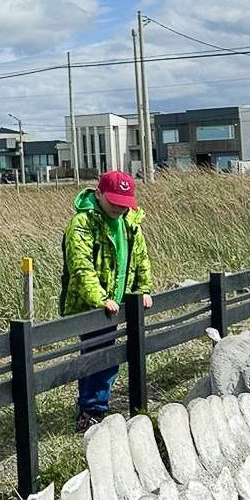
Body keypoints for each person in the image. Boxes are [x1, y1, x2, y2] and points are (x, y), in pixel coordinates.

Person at [62, 170, 153, 432]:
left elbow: (141, 260)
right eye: (113, 201)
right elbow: (81, 267)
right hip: (92, 305)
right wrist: (99, 299)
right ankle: (92, 411)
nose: (118, 208)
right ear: (99, 194)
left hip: (120, 302)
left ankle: (90, 407)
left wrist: (143, 289)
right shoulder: (82, 223)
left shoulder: (130, 223)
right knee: (100, 357)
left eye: (124, 203)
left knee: (102, 355)